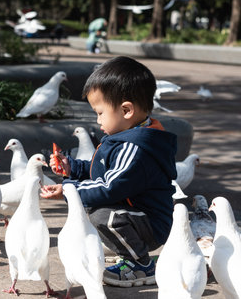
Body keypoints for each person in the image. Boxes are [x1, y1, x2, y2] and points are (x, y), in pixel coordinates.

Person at [40, 56, 177, 288]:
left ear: (126, 110)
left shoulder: (135, 147)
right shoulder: (125, 137)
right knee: (96, 208)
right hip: (136, 214)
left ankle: (141, 265)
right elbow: (102, 172)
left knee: (102, 215)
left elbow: (109, 186)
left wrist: (68, 190)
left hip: (150, 224)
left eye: (100, 112)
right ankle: (129, 250)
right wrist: (72, 168)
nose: (97, 119)